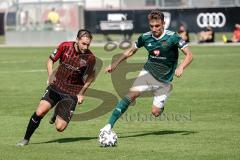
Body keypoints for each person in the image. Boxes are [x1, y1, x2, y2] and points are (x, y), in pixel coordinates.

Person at [100, 10, 193, 132]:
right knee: (131, 95)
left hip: (165, 81)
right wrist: (115, 64)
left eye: (157, 26)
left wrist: (181, 67)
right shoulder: (145, 37)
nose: (154, 29)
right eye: (151, 26)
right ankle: (108, 126)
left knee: (155, 112)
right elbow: (131, 51)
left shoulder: (173, 37)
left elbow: (189, 55)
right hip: (147, 74)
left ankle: (160, 106)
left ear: (163, 24)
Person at [16, 29, 96, 146]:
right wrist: (50, 76)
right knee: (40, 112)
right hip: (56, 86)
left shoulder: (90, 58)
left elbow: (91, 76)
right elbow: (50, 61)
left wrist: (81, 93)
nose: (85, 47)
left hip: (71, 92)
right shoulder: (65, 46)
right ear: (77, 40)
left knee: (60, 128)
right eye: (83, 43)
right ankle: (25, 139)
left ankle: (58, 109)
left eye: (88, 44)